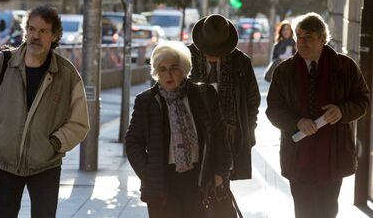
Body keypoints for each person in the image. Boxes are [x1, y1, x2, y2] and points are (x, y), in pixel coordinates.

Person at [0, 5, 90, 218]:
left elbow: (79, 122)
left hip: (46, 165)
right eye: (31, 29)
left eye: (42, 31)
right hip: (4, 162)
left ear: (55, 35)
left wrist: (55, 144)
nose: (34, 36)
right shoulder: (0, 63)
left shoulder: (67, 75)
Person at [266, 12, 370, 218]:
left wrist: (342, 111)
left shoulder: (345, 67)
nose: (301, 43)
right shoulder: (284, 71)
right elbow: (273, 110)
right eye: (299, 37)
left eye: (308, 38)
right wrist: (297, 122)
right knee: (303, 211)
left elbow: (363, 102)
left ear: (323, 39)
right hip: (298, 157)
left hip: (333, 155)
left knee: (328, 210)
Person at [125, 41, 232, 218]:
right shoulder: (146, 101)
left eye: (174, 68)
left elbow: (220, 136)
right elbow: (133, 142)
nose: (168, 74)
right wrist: (148, 173)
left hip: (199, 178)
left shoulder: (205, 95)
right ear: (156, 73)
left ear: (184, 69)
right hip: (163, 182)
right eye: (162, 69)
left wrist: (221, 171)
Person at [188, 14, 261, 181]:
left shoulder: (241, 62)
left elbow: (253, 101)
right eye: (208, 49)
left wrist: (248, 132)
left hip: (230, 136)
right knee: (194, 183)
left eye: (218, 50)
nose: (213, 55)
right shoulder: (185, 57)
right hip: (194, 133)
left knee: (222, 184)